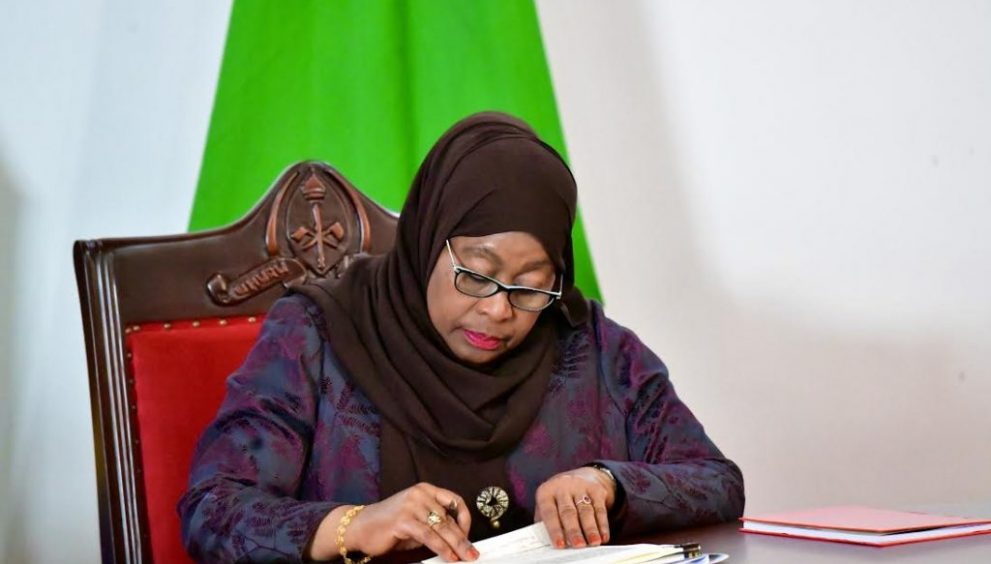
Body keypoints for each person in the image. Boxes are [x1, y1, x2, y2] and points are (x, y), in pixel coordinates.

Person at [178, 112, 744, 563]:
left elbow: (718, 482)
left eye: (531, 285)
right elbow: (212, 510)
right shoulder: (315, 335)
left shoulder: (591, 345)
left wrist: (609, 483)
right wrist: (355, 524)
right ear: (429, 241)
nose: (498, 309)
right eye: (476, 273)